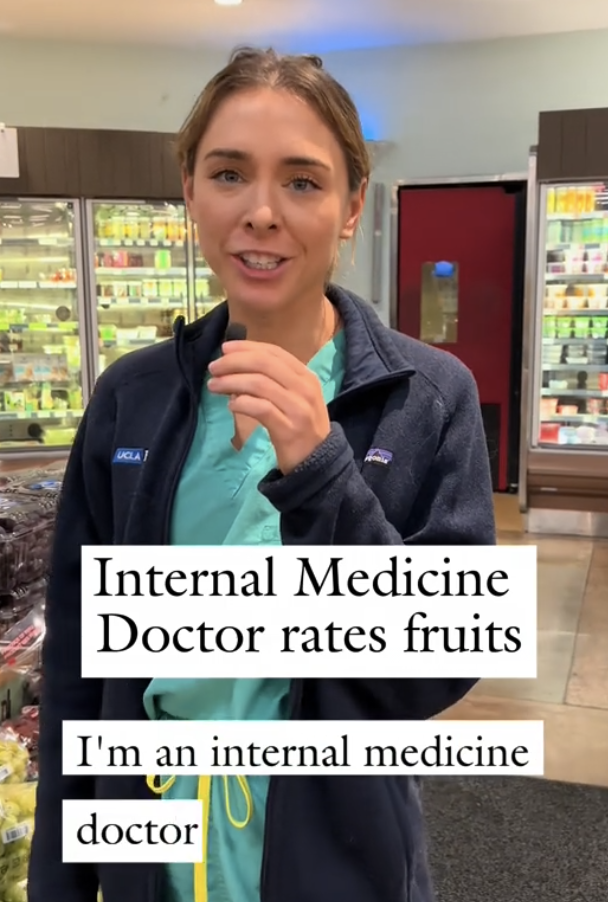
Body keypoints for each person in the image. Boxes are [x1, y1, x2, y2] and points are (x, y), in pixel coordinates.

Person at [29, 46, 495, 902]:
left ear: (354, 207)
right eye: (230, 174)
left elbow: (434, 667)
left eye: (304, 182)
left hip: (339, 853)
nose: (262, 213)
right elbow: (80, 666)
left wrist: (324, 476)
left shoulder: (428, 399)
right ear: (190, 193)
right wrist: (62, 878)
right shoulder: (131, 397)